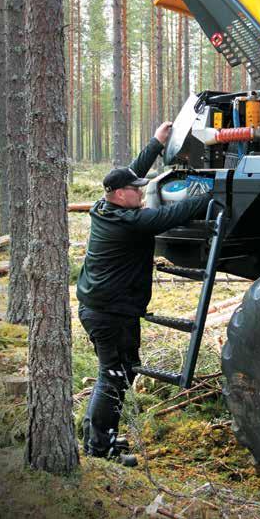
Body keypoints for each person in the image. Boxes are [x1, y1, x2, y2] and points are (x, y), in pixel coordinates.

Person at [77, 122, 211, 460]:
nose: (142, 191)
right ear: (121, 195)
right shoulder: (131, 223)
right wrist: (214, 193)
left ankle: (100, 435)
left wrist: (156, 143)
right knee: (113, 374)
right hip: (109, 314)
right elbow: (173, 214)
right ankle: (99, 448)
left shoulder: (105, 206)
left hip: (109, 309)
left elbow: (131, 172)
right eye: (136, 190)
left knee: (120, 371)